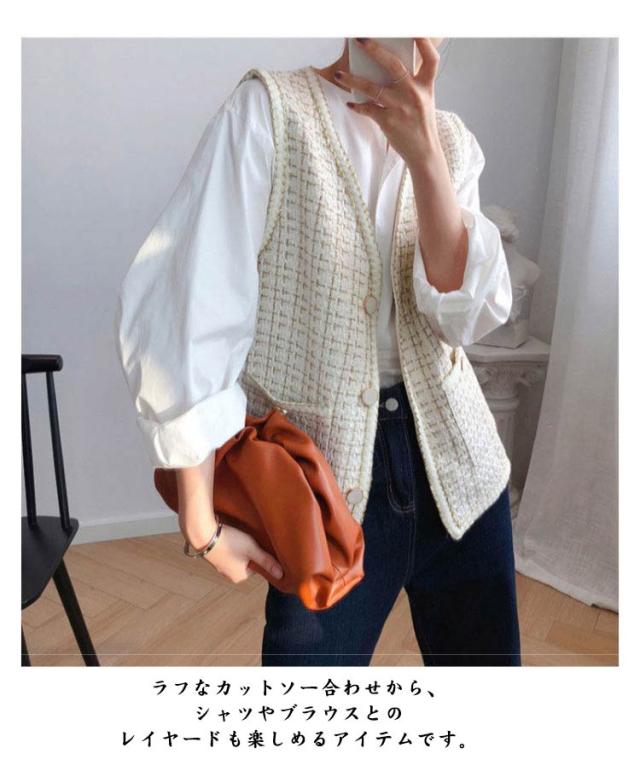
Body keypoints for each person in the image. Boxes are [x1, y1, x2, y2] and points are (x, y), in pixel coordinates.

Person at [115, 37, 522, 666]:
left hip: (462, 473)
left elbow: (461, 317)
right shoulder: (269, 111)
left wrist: (426, 157)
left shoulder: (451, 141)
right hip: (322, 489)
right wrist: (200, 519)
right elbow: (192, 305)